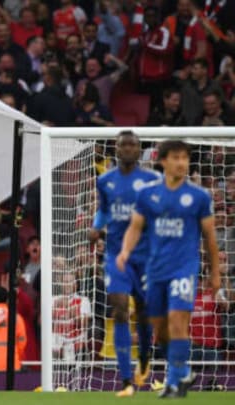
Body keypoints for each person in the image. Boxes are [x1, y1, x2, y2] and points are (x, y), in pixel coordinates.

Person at [117, 140, 222, 398]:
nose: (181, 163)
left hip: (184, 268)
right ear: (163, 161)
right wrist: (125, 251)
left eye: (185, 158)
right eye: (176, 157)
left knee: (177, 321)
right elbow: (135, 227)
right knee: (160, 327)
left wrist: (215, 272)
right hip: (155, 270)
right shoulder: (148, 194)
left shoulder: (199, 197)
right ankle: (183, 371)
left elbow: (209, 237)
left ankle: (174, 382)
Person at [90, 131, 161, 397]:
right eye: (124, 145)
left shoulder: (153, 180)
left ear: (139, 149)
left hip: (145, 256)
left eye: (133, 145)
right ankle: (125, 379)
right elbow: (104, 209)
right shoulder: (105, 180)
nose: (129, 148)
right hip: (116, 255)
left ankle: (143, 356)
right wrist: (96, 227)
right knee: (119, 309)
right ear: (117, 149)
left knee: (143, 312)